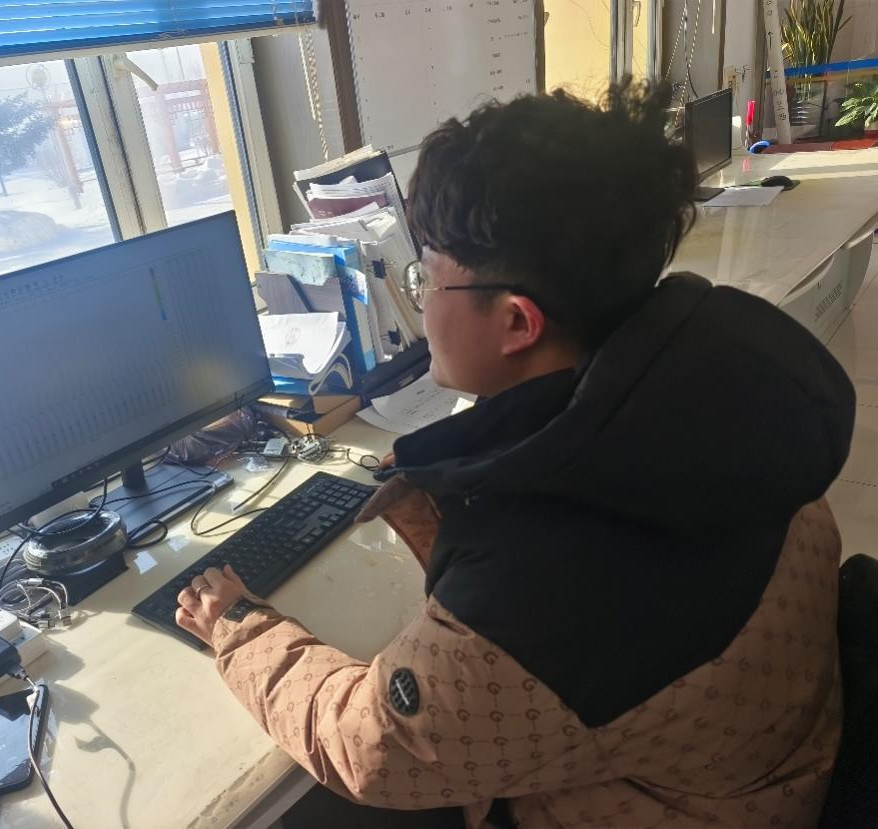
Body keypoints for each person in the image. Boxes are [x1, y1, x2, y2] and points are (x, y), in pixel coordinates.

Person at [175, 81, 856, 828]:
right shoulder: (716, 391)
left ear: (517, 323)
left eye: (427, 279)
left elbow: (371, 748)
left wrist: (239, 625)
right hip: (755, 768)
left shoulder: (546, 584)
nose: (421, 303)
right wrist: (449, 480)